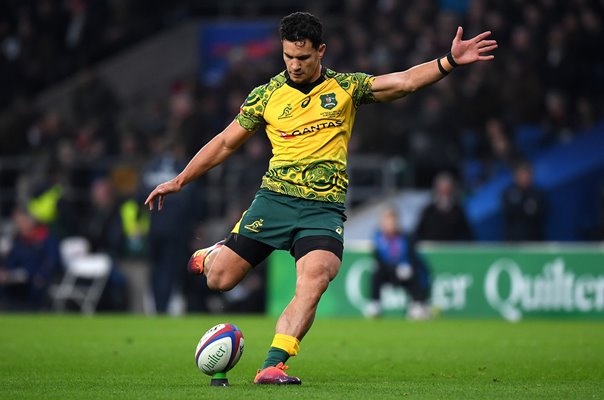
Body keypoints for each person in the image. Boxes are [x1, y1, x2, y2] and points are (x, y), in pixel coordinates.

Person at [145, 12, 496, 384]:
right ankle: (214, 254)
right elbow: (225, 142)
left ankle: (273, 364)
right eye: (288, 57)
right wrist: (181, 180)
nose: (295, 66)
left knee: (315, 280)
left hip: (322, 211)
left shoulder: (346, 88)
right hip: (274, 201)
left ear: (321, 51)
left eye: (303, 58)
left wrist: (450, 61)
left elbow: (405, 82)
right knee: (219, 281)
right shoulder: (266, 96)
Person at [366, 208, 431, 320]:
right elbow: (379, 259)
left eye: (392, 221)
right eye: (387, 221)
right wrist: (394, 269)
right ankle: (374, 305)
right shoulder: (377, 238)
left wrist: (406, 267)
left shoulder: (407, 237)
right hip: (387, 272)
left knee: (415, 274)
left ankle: (417, 304)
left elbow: (413, 257)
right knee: (376, 273)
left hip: (405, 271)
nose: (390, 224)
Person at [416, 172, 473, 241]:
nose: (444, 193)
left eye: (447, 189)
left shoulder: (458, 211)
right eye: (441, 189)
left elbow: (467, 235)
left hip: (452, 249)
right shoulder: (428, 211)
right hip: (432, 249)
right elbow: (420, 234)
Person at [502, 160, 547, 241]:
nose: (525, 177)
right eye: (522, 174)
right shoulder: (507, 193)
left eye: (527, 173)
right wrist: (526, 209)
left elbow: (542, 212)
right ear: (516, 176)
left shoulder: (538, 193)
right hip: (514, 242)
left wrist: (521, 209)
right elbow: (509, 212)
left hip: (534, 240)